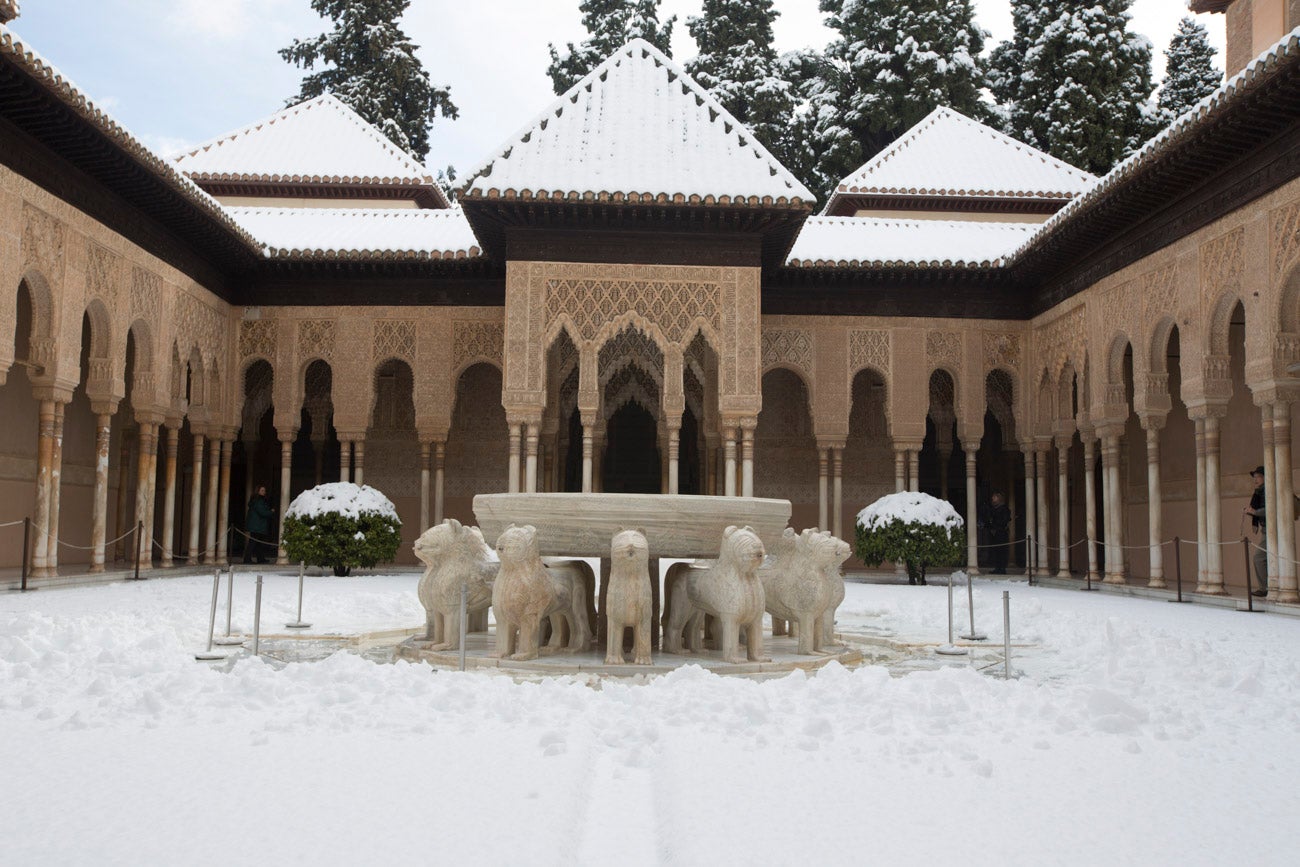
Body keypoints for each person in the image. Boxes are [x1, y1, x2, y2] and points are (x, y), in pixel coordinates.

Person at [1244, 466, 1267, 597]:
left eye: (1258, 476)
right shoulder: (1259, 493)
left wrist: (1254, 512)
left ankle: (1265, 588)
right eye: (1255, 477)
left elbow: (1270, 509)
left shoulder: (1266, 491)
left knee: (1258, 558)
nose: (1255, 480)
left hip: (1272, 530)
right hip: (1266, 529)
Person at [243, 484, 275, 565]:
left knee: (258, 542)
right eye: (262, 490)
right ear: (258, 491)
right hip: (256, 526)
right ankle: (247, 559)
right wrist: (271, 512)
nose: (264, 492)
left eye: (264, 490)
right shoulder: (258, 501)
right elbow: (262, 512)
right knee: (253, 542)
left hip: (257, 525)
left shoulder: (258, 500)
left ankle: (260, 558)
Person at [983, 492, 1012, 575]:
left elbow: (1005, 520)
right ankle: (997, 568)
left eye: (994, 497)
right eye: (993, 498)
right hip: (994, 533)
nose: (993, 499)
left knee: (1002, 551)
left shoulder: (1004, 509)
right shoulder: (992, 509)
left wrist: (996, 525)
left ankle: (1002, 568)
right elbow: (989, 519)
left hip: (1001, 533)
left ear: (999, 499)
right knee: (995, 551)